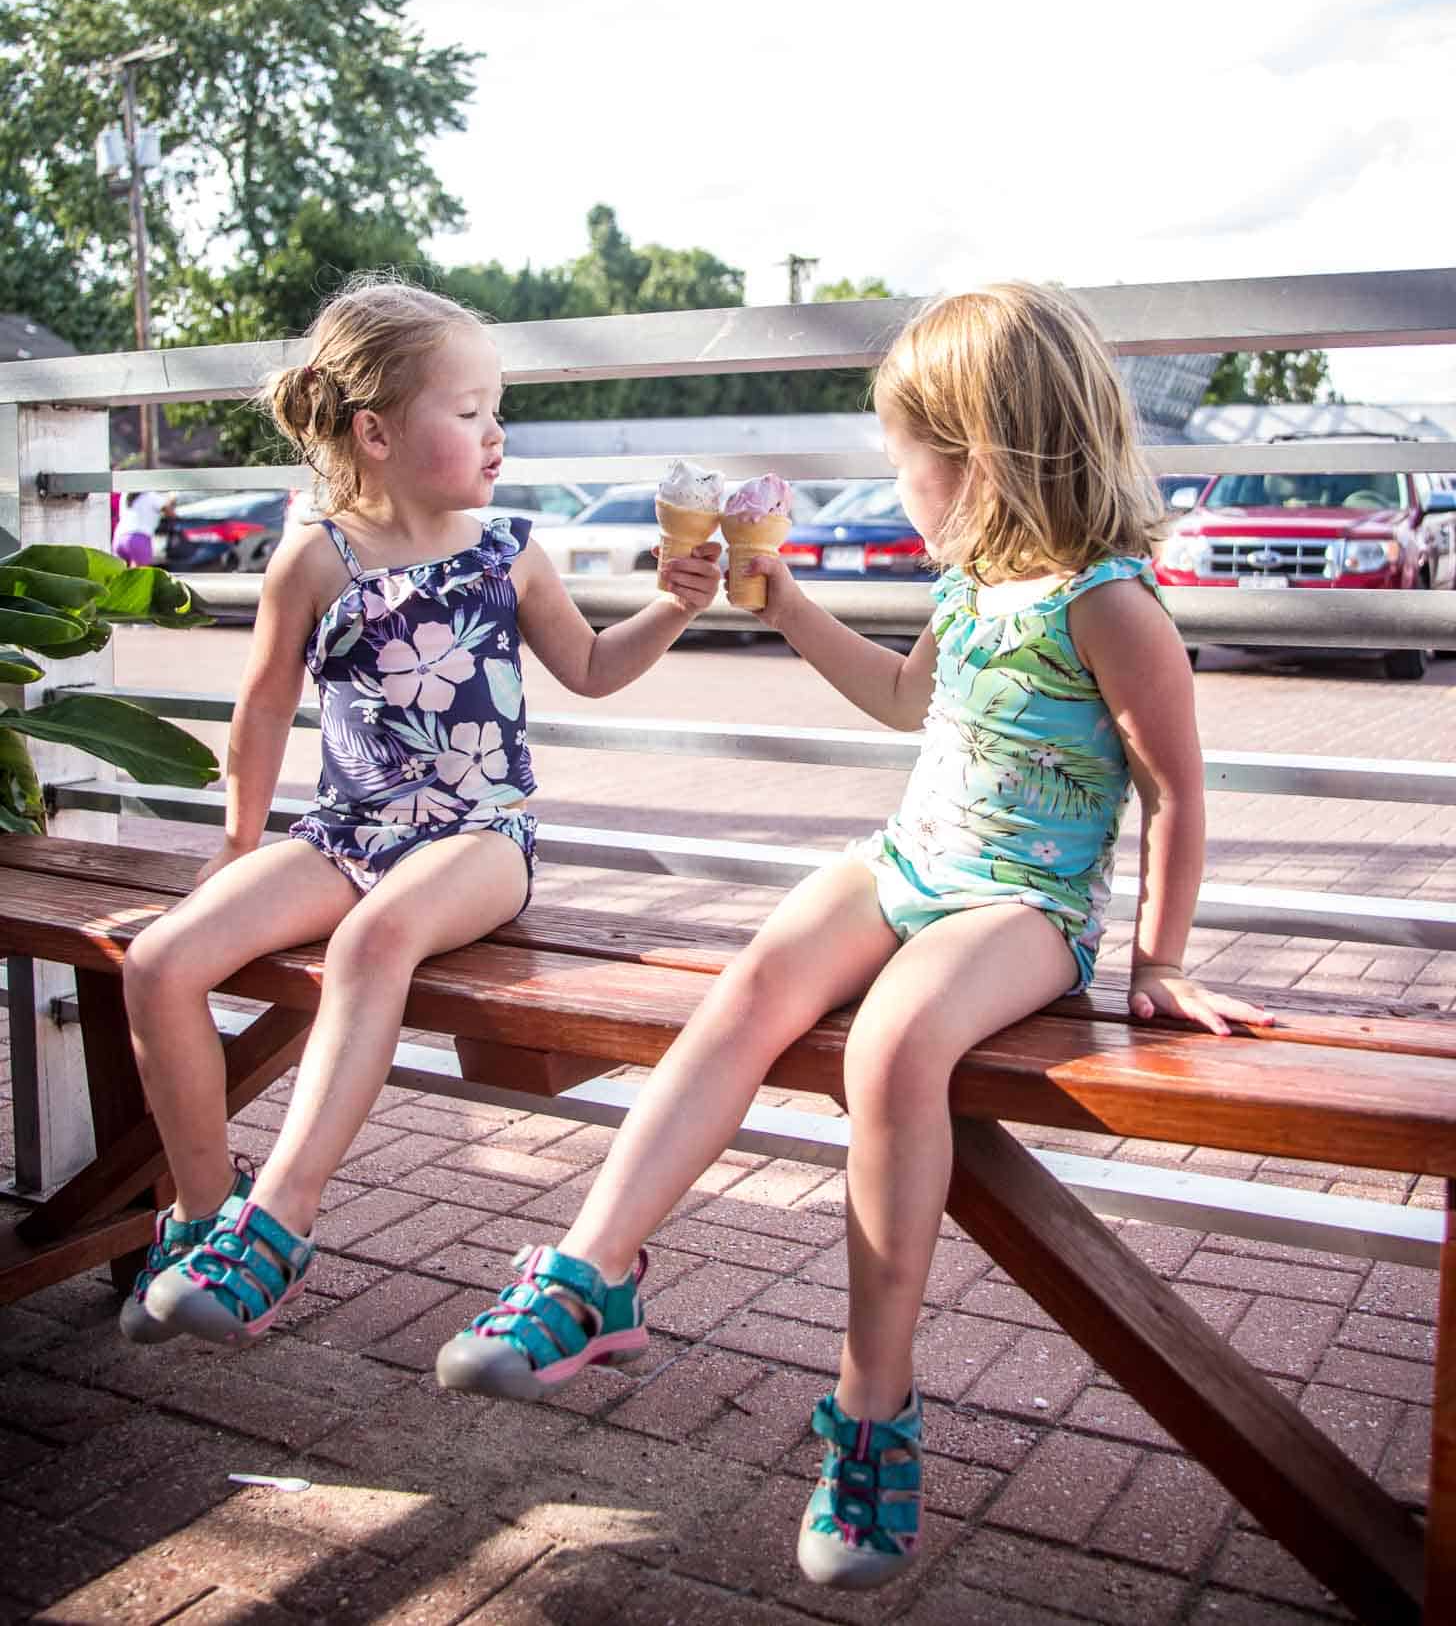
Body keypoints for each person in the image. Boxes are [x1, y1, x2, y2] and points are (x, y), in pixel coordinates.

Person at [435, 282, 1273, 1592]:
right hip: (908, 864)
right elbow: (899, 699)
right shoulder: (974, 578)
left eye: (907, 462)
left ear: (981, 458)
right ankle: (595, 1268)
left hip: (1022, 908)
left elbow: (1173, 788)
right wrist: (783, 607)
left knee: (890, 1050)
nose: (898, 488)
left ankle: (872, 1414)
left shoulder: (1108, 603)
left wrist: (1156, 960)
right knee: (757, 976)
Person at [120, 277, 721, 1347]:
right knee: (158, 962)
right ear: (376, 432)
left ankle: (282, 1223)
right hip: (346, 833)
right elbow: (261, 712)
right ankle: (204, 1213)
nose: (496, 434)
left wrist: (672, 606)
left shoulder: (506, 548)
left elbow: (585, 667)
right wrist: (234, 845)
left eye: (497, 409)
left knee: (375, 940)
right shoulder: (312, 558)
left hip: (480, 835)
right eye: (469, 410)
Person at [111, 488, 163, 566]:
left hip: (119, 538)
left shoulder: (125, 495)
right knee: (140, 574)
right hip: (138, 538)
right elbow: (170, 512)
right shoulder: (151, 496)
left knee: (122, 574)